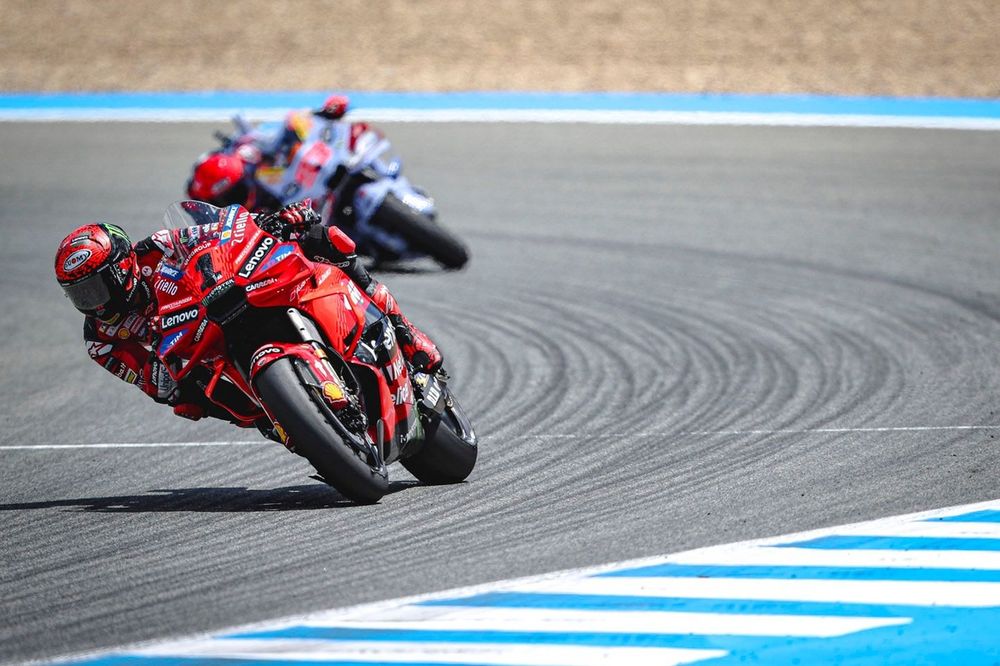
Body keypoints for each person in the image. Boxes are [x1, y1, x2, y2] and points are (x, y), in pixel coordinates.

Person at [53, 200, 442, 429]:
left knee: (323, 242)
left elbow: (215, 234)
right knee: (199, 401)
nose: (93, 302)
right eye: (80, 294)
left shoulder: (156, 248)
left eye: (96, 287)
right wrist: (166, 383)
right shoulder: (101, 340)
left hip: (219, 303)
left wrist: (268, 223)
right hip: (195, 352)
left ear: (122, 266)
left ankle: (406, 333)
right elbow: (148, 380)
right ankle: (287, 425)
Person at [186, 95, 351, 212]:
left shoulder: (244, 157)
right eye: (222, 201)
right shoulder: (215, 213)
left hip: (315, 175)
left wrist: (317, 117)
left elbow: (274, 132)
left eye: (231, 195)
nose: (229, 203)